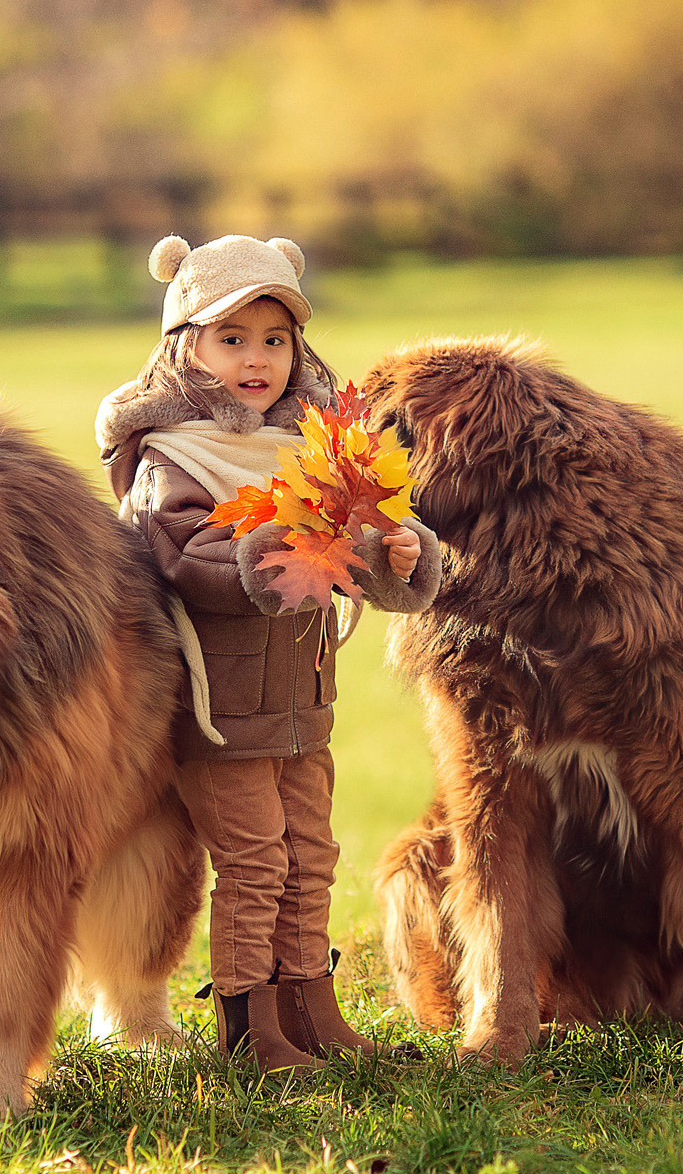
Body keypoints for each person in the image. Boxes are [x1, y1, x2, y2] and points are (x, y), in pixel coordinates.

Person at [97, 234, 441, 1072]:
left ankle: (309, 1008)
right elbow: (179, 557)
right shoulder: (174, 457)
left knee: (309, 855)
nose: (257, 359)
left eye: (275, 339)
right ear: (187, 346)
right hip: (221, 708)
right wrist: (264, 547)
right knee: (254, 861)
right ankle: (251, 1029)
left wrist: (396, 556)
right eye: (233, 338)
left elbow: (346, 550)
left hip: (302, 700)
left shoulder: (314, 451)